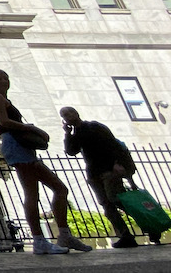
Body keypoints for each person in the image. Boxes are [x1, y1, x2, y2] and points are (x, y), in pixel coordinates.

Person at [0, 68, 91, 254]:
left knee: (44, 191)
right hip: (15, 144)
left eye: (5, 78)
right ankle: (44, 238)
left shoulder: (3, 99)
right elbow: (3, 122)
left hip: (19, 146)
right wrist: (33, 129)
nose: (3, 81)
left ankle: (55, 236)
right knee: (48, 190)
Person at [60, 106, 140, 248]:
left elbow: (113, 145)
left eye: (69, 113)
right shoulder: (76, 134)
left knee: (118, 200)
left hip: (109, 171)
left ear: (76, 112)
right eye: (64, 115)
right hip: (94, 174)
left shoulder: (94, 126)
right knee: (107, 205)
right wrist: (67, 134)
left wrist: (117, 164)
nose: (67, 116)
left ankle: (148, 225)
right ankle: (125, 235)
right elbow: (71, 151)